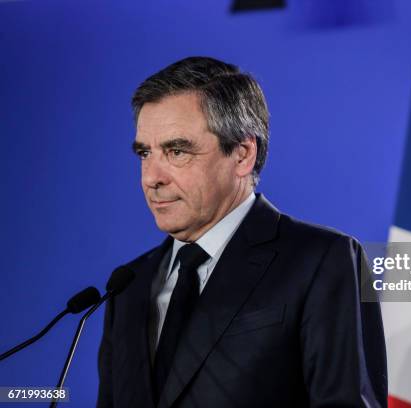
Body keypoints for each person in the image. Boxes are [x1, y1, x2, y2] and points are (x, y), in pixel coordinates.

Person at [97, 56, 387, 408]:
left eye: (176, 151)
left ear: (242, 154)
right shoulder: (128, 286)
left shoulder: (321, 262)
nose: (151, 177)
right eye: (145, 153)